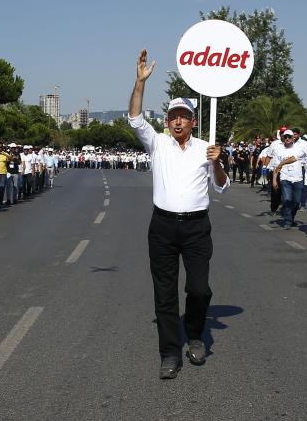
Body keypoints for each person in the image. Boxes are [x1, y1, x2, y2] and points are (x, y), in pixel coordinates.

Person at [128, 49, 229, 379]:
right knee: (165, 292)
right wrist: (139, 83)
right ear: (167, 120)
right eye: (173, 116)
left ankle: (196, 335)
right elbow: (134, 118)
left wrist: (217, 161)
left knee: (199, 289)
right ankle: (170, 352)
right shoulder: (157, 143)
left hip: (197, 227)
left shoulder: (206, 148)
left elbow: (222, 187)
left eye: (183, 115)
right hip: (163, 226)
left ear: (193, 120)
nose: (178, 120)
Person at [272, 129, 307, 229]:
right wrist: (274, 180)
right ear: (283, 138)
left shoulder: (299, 149)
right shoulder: (279, 150)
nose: (287, 139)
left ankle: (291, 217)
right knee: (287, 199)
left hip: (298, 178)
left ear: (293, 138)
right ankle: (288, 221)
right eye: (285, 137)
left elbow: (302, 161)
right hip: (285, 178)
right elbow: (276, 167)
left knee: (296, 202)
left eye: (289, 137)